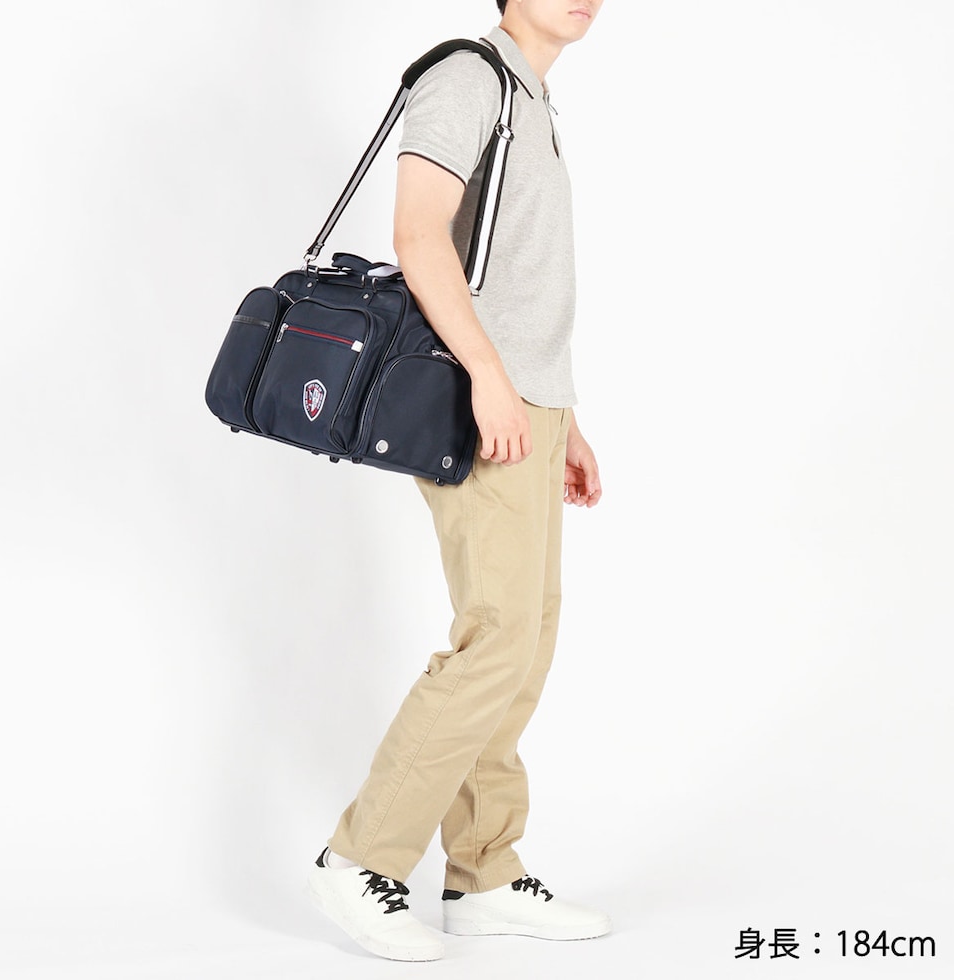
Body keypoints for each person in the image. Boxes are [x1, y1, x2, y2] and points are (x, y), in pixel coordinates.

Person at [306, 0, 607, 961]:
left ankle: (484, 873)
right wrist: (487, 377)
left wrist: (563, 416)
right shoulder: (469, 77)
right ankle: (361, 858)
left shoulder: (533, 98)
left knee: (525, 642)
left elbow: (513, 279)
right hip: (479, 399)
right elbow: (419, 233)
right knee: (496, 640)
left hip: (529, 404)